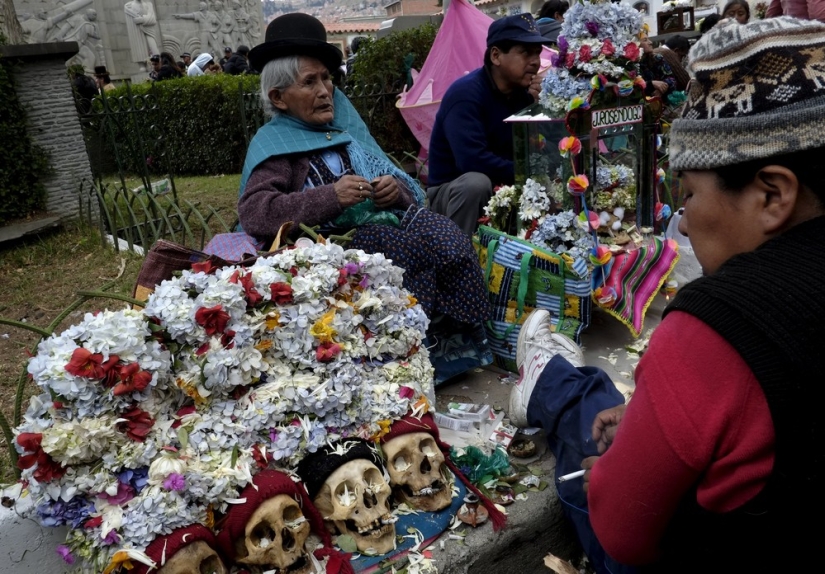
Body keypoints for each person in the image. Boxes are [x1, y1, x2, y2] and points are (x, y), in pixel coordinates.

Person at [509, 16, 825, 573]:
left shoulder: (716, 331)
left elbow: (623, 533)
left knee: (591, 434)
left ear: (773, 195)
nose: (684, 221)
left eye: (690, 196)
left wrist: (614, 477)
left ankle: (551, 381)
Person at [231, 12, 489, 327]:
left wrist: (395, 191)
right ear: (278, 97)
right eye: (309, 82)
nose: (324, 90)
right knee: (400, 248)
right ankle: (412, 338)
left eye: (326, 78)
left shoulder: (343, 130)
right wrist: (332, 197)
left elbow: (405, 189)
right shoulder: (276, 144)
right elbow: (256, 212)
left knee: (450, 240)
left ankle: (461, 334)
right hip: (322, 249)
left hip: (379, 232)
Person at [426, 14, 549, 237]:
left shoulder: (524, 95)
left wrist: (543, 105)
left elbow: (540, 148)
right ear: (496, 55)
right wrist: (529, 173)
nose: (535, 61)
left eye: (537, 53)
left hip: (504, 185)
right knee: (476, 183)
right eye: (525, 53)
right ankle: (456, 252)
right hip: (454, 194)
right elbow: (472, 161)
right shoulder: (465, 95)